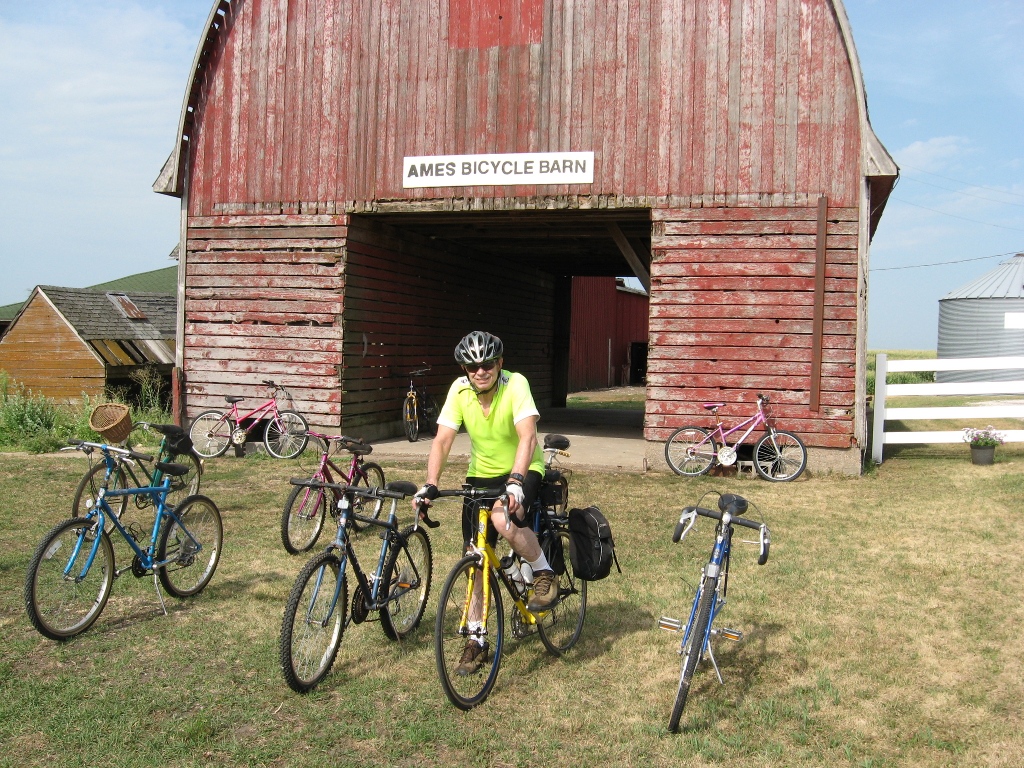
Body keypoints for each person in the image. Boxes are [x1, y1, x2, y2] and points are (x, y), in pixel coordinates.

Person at [414, 330, 557, 676]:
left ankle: (542, 570)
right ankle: (476, 640)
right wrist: (431, 483)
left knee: (502, 520)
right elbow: (443, 440)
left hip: (523, 469)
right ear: (465, 368)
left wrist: (517, 482)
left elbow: (528, 436)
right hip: (480, 476)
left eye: (488, 363)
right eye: (473, 366)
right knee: (473, 558)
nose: (481, 371)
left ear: (500, 363)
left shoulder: (516, 384)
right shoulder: (459, 391)